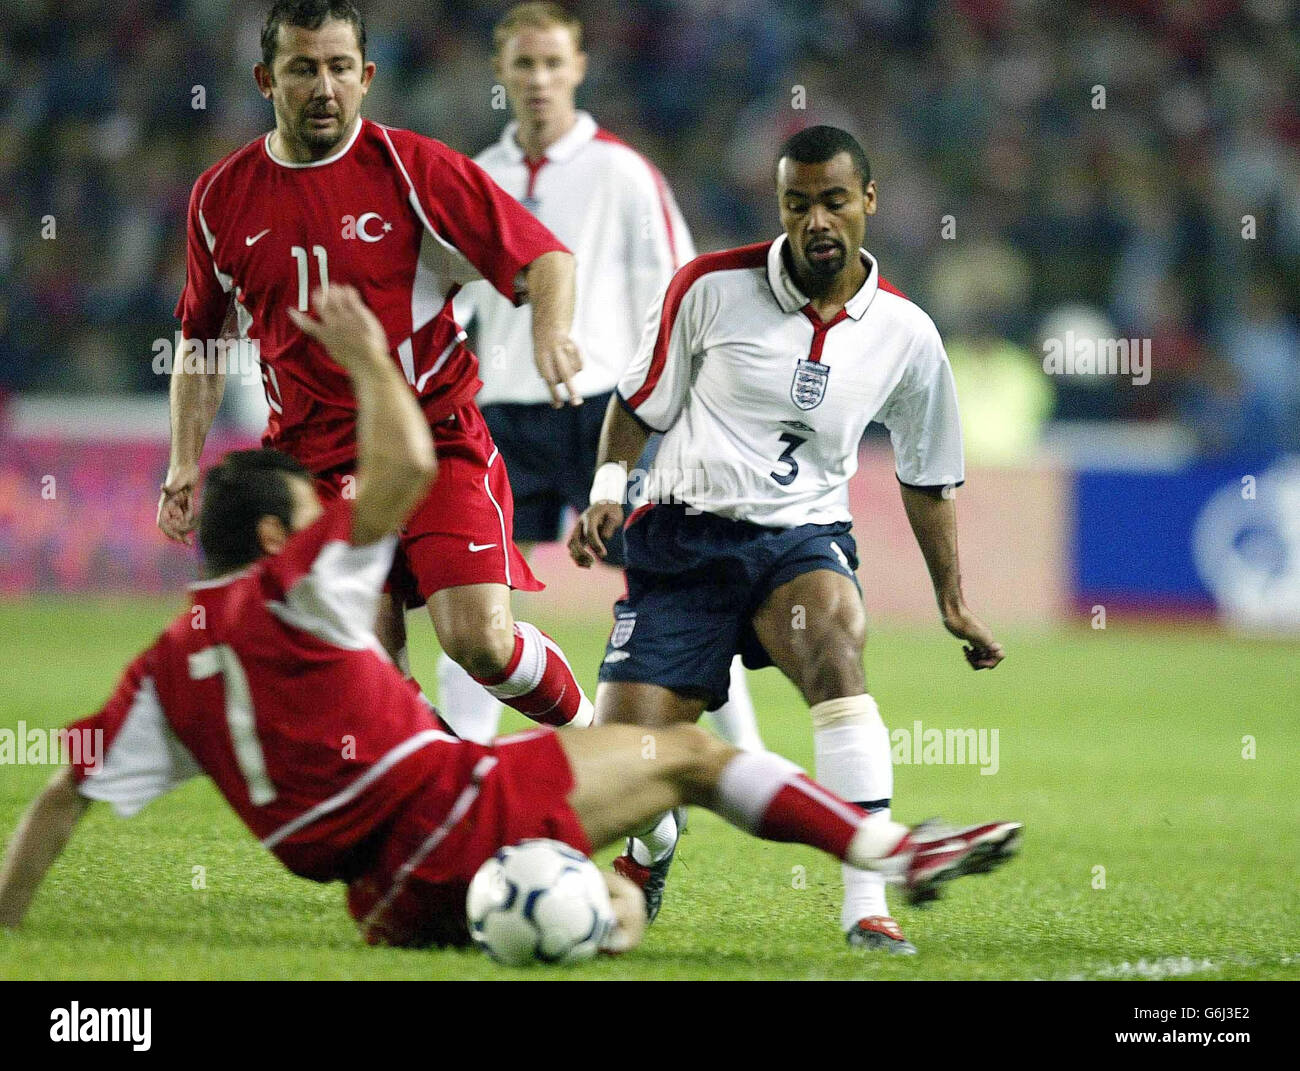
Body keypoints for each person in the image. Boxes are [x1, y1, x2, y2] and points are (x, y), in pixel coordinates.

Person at [0, 287, 1021, 951]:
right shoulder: (297, 581)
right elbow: (404, 468)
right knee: (690, 759)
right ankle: (896, 856)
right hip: (458, 805)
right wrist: (365, 358)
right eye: (310, 515)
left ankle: (591, 916)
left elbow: (57, 799)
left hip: (386, 904)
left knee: (608, 908)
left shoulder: (162, 676)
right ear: (276, 536)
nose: (330, 526)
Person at [569, 126, 1006, 954]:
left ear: (868, 202)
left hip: (798, 544)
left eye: (834, 200)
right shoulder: (708, 286)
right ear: (780, 206)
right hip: (683, 545)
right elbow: (636, 402)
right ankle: (650, 850)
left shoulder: (907, 335)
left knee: (838, 648)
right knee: (630, 761)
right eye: (797, 203)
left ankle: (866, 905)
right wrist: (604, 492)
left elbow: (926, 473)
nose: (816, 220)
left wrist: (953, 598)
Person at [157, 0, 592, 734]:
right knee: (366, 681)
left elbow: (544, 257)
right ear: (267, 79)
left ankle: (599, 742)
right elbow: (200, 342)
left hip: (431, 442)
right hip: (311, 470)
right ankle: (457, 802)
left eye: (337, 68)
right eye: (302, 69)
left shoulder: (413, 169)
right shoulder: (219, 198)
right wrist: (181, 463)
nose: (323, 86)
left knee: (479, 639)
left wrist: (550, 333)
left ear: (366, 76)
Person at [446, 2, 762, 761]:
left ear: (579, 68)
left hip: (607, 414)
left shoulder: (622, 171)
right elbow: (447, 304)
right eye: (523, 64)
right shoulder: (474, 178)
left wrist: (681, 403)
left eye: (554, 63)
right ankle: (459, 759)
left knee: (668, 582)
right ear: (500, 73)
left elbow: (678, 291)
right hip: (501, 415)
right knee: (475, 590)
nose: (539, 79)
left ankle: (746, 754)